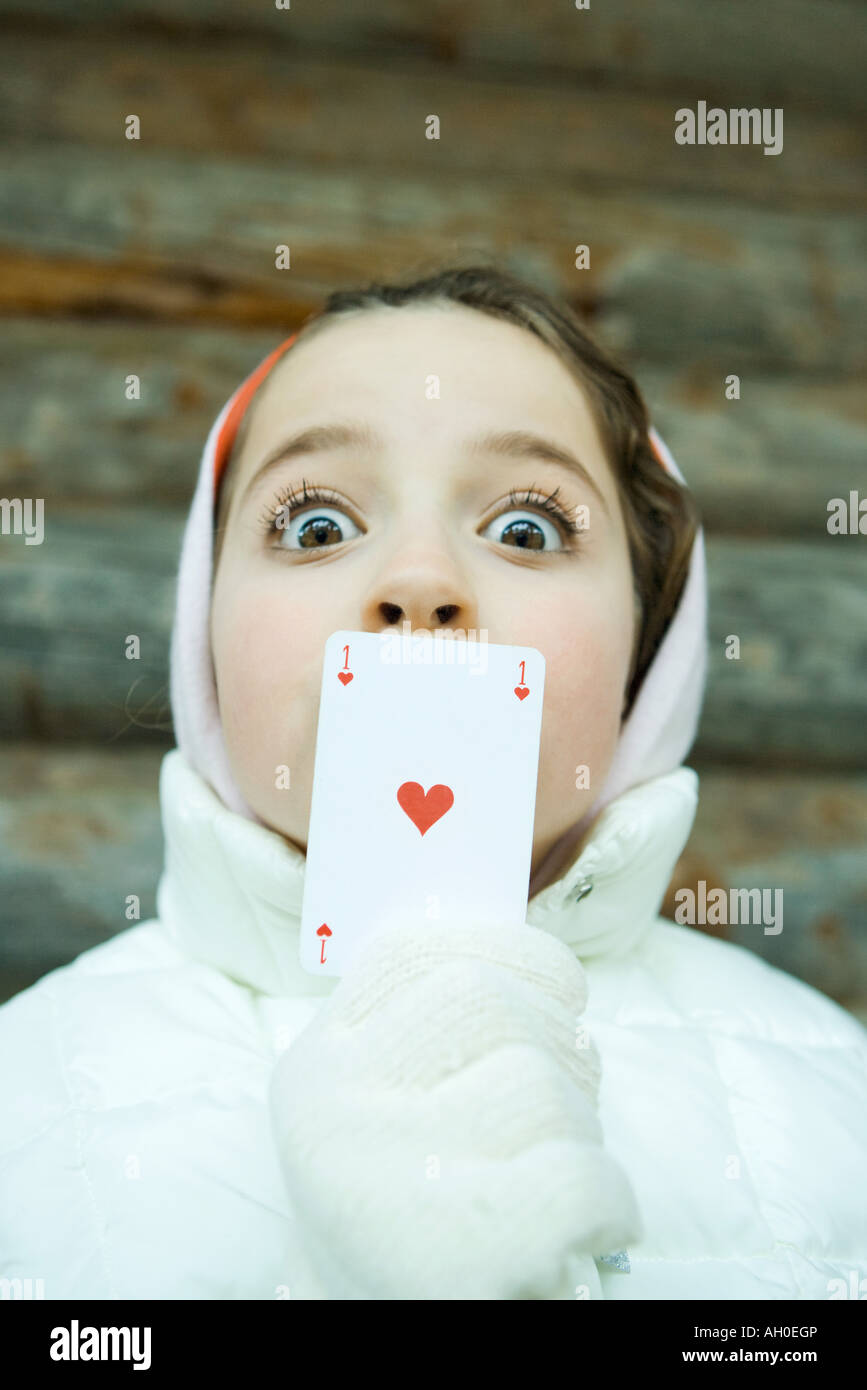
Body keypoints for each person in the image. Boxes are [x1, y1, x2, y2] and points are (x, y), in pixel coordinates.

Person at [1, 264, 864, 1300]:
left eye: (526, 528)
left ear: (650, 647)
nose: (420, 582)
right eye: (316, 524)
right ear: (205, 629)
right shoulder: (27, 1098)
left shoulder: (837, 1095)